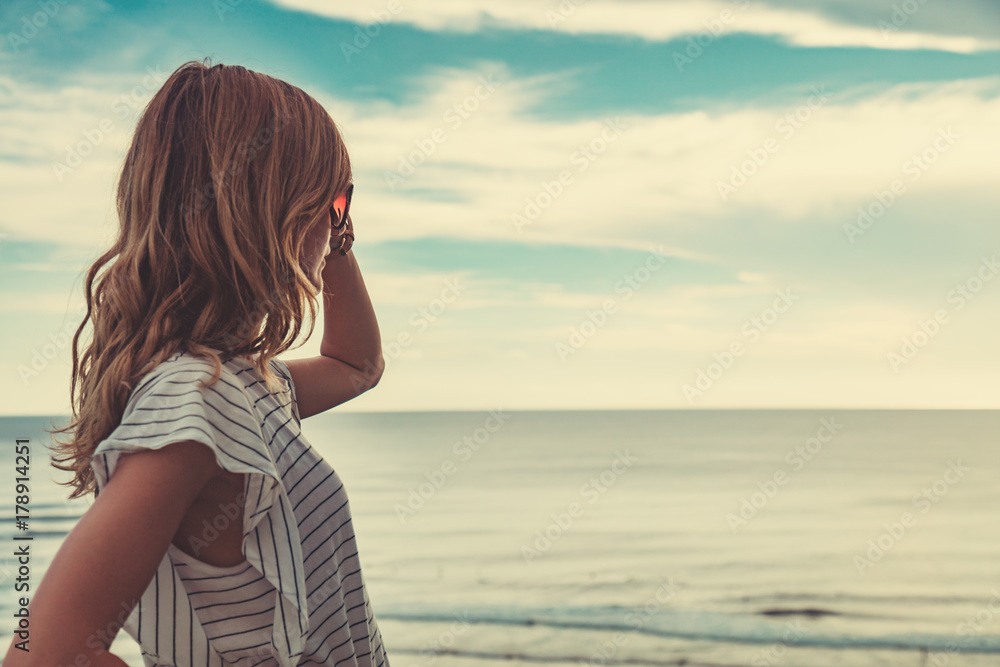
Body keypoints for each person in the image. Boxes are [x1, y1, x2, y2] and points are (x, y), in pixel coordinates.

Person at [2, 58, 389, 666]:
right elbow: (42, 657)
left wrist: (337, 236)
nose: (338, 220)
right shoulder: (198, 401)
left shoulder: (244, 385)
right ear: (272, 205)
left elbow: (356, 364)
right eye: (331, 199)